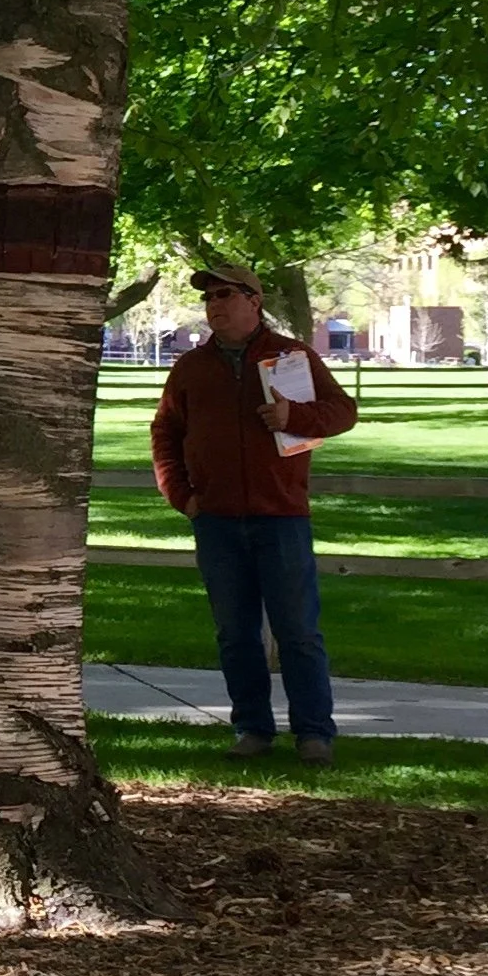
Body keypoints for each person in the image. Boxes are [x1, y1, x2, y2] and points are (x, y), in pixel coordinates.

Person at [150, 261, 359, 764]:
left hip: (281, 517)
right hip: (217, 521)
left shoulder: (293, 357)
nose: (214, 306)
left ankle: (314, 734)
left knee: (298, 632)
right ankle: (252, 730)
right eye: (208, 298)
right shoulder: (191, 369)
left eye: (224, 295)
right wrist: (184, 497)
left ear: (254, 301)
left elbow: (342, 412)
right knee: (235, 633)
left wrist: (295, 416)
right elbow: (165, 436)